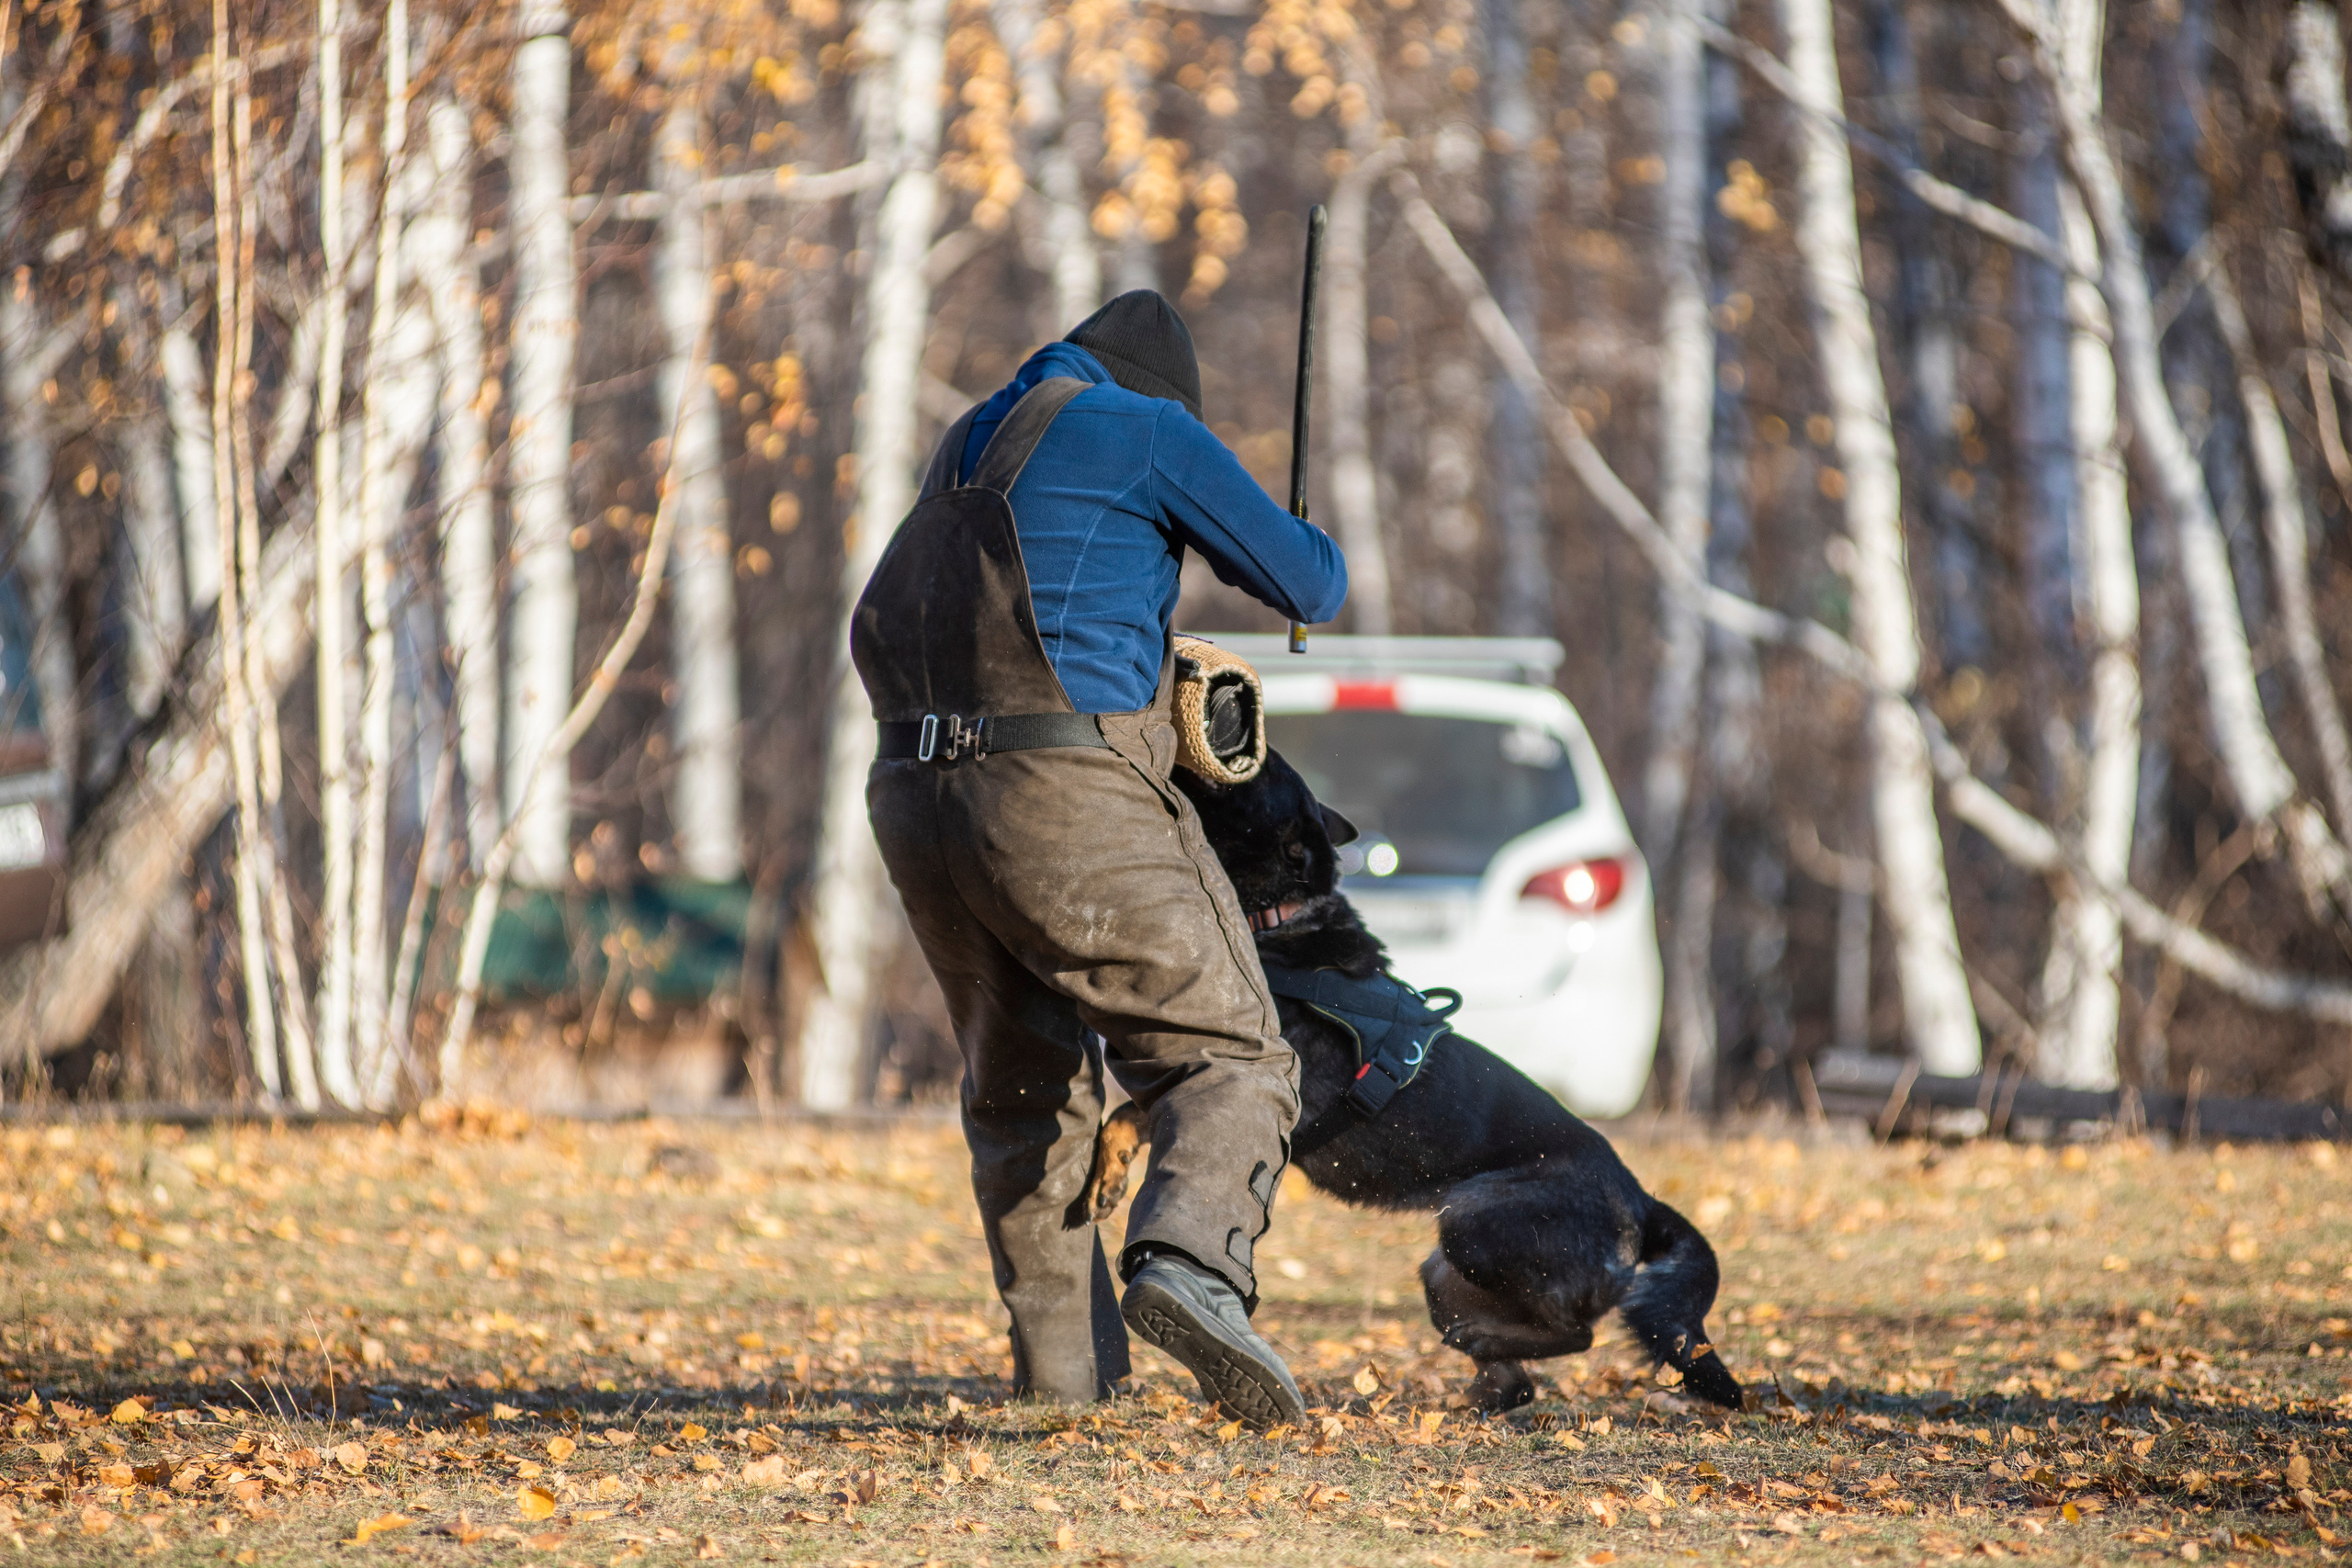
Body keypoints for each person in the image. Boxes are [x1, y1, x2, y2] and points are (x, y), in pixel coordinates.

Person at [850, 290, 1346, 1426]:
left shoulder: (969, 438)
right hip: (1059, 789)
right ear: (1167, 395)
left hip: (916, 797)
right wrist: (1290, 524)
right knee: (1231, 1054)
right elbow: (1311, 582)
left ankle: (1064, 1390)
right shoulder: (1148, 429)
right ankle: (1191, 1268)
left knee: (1023, 1091)